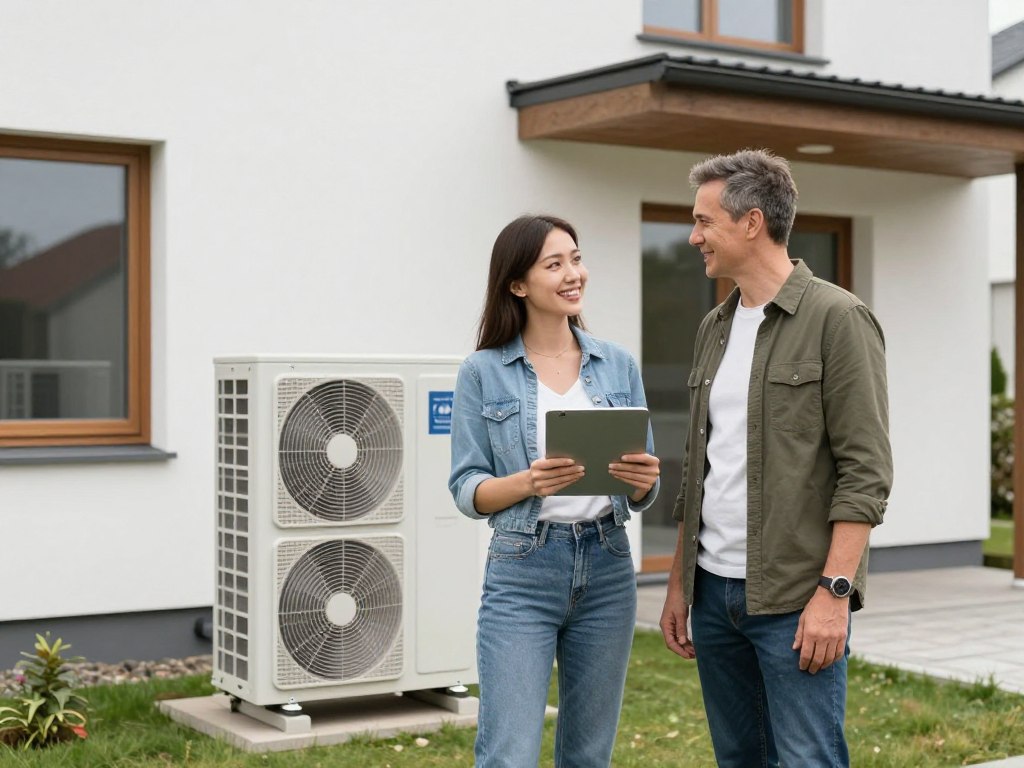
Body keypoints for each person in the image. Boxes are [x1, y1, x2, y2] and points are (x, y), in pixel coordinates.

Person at [659, 149, 893, 768]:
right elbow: (699, 471)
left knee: (807, 759)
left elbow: (866, 473)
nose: (694, 236)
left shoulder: (838, 319)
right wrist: (680, 584)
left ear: (752, 222)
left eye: (705, 221)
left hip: (795, 598)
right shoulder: (714, 326)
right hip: (713, 594)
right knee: (739, 758)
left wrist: (833, 594)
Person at [449, 214, 661, 768]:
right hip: (523, 569)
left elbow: (640, 484)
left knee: (589, 755)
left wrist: (644, 484)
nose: (574, 273)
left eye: (576, 257)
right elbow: (466, 488)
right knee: (509, 753)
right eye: (555, 264)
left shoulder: (617, 364)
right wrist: (527, 482)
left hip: (609, 565)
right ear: (517, 284)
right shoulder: (483, 371)